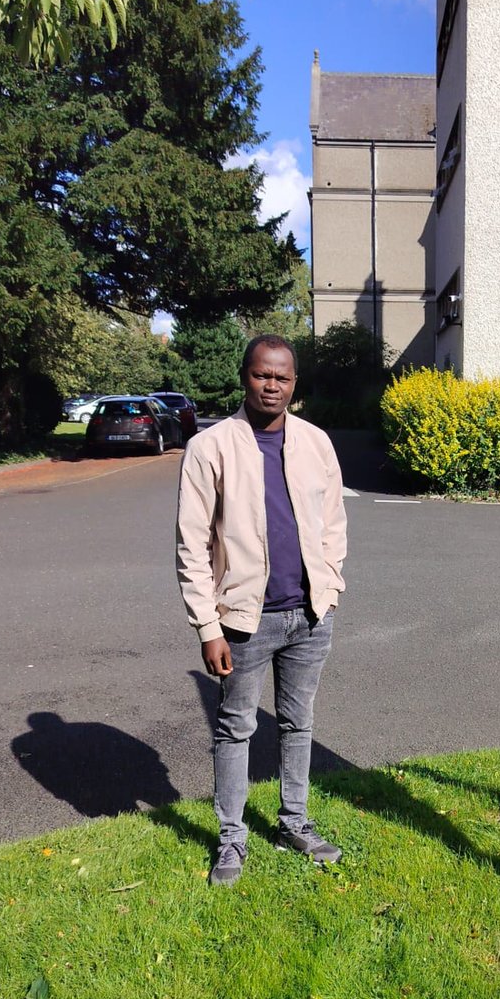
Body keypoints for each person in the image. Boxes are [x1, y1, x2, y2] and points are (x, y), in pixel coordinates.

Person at [176, 334, 347, 885]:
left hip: (310, 616)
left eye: (283, 377)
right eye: (261, 375)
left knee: (299, 725)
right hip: (243, 623)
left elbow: (333, 522)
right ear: (245, 377)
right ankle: (231, 840)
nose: (272, 385)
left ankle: (293, 822)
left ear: (295, 384)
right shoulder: (212, 447)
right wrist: (208, 625)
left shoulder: (317, 443)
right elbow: (192, 543)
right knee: (235, 729)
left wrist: (332, 585)